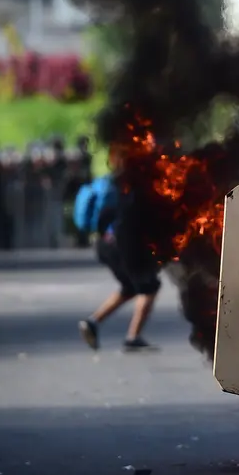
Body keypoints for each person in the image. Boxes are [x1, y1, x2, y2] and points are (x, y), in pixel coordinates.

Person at [78, 149, 160, 353]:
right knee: (149, 285)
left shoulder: (113, 182)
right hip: (120, 244)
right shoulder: (131, 188)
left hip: (104, 244)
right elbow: (134, 221)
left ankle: (92, 322)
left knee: (130, 287)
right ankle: (133, 337)